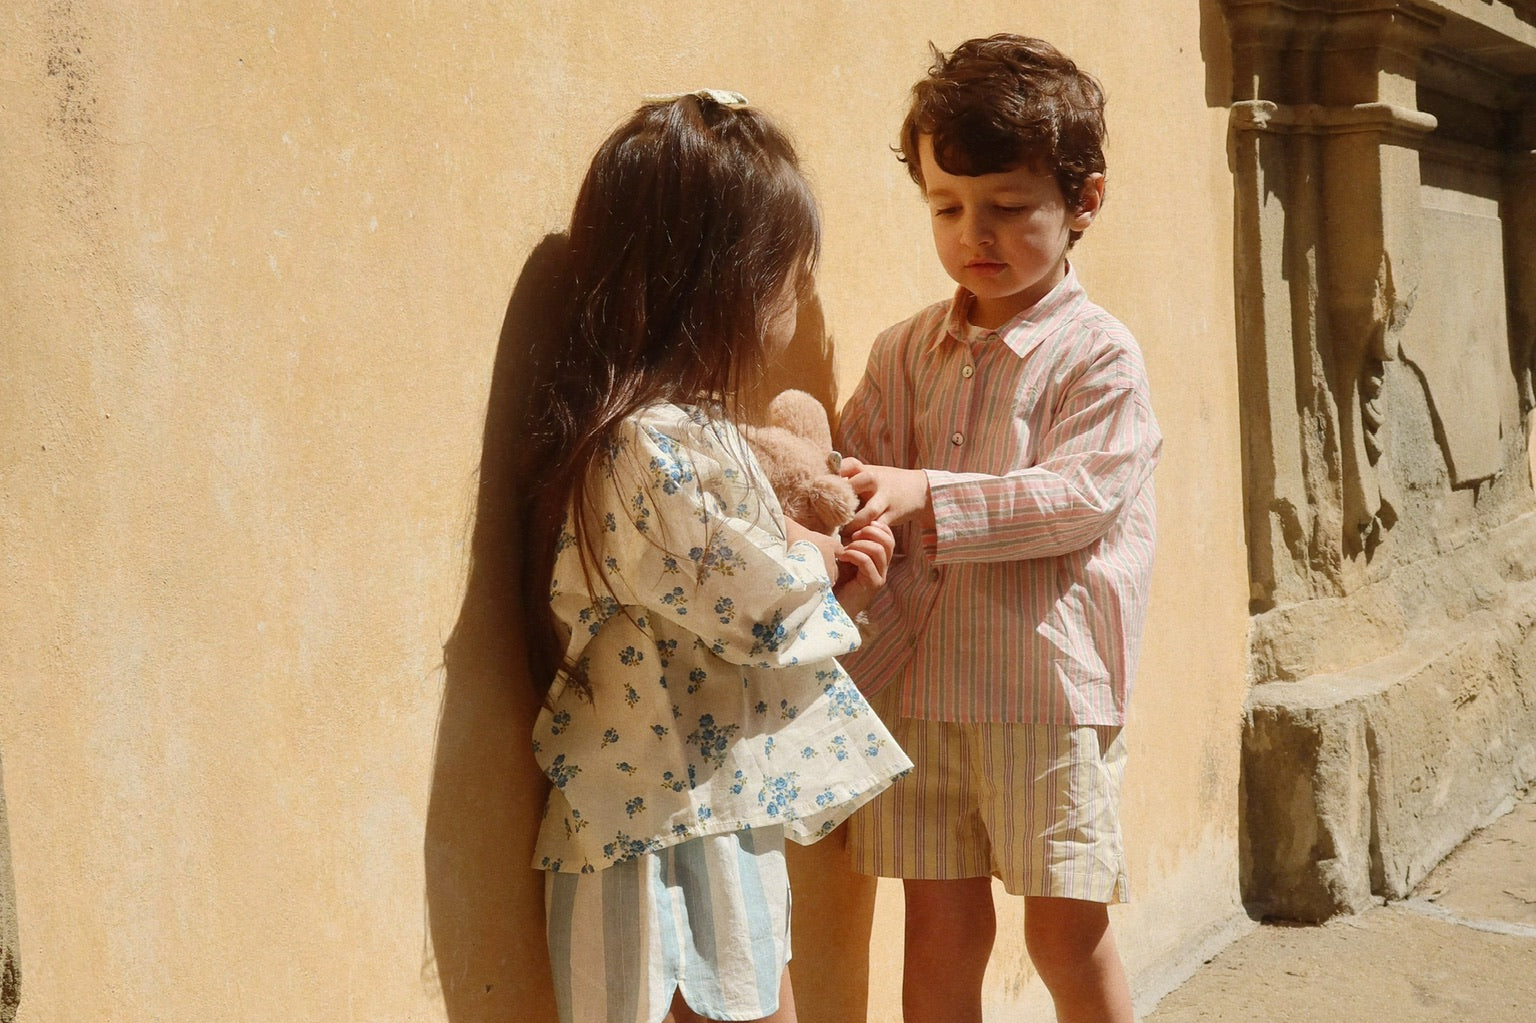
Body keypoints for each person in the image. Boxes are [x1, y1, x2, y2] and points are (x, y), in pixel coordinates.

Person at [522, 90, 912, 1023]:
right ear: (725, 281)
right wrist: (820, 557)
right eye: (789, 273)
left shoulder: (676, 432)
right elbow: (756, 597)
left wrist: (825, 575)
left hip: (709, 801)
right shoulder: (647, 443)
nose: (797, 297)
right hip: (651, 825)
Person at [834, 36, 1161, 1023]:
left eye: (1010, 208)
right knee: (938, 922)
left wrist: (924, 494)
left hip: (1040, 693)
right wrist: (840, 515)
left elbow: (1076, 498)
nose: (974, 233)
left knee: (1064, 927)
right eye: (947, 207)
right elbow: (860, 475)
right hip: (916, 685)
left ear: (1083, 202)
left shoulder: (1098, 355)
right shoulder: (903, 351)